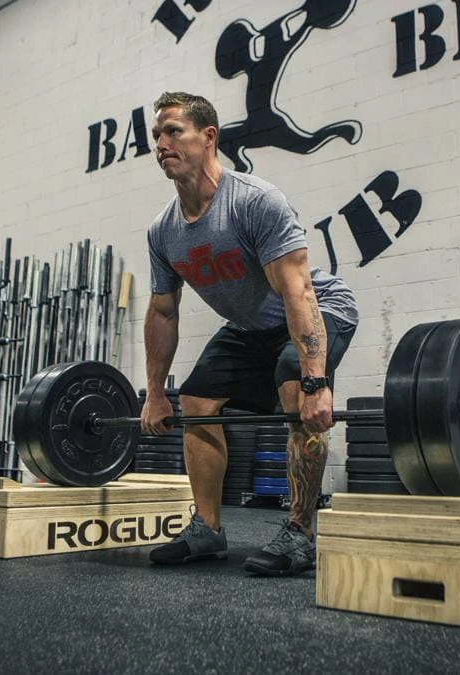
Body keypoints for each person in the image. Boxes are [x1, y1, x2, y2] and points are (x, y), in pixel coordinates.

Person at [140, 92, 358, 576]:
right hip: (249, 326)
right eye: (156, 134)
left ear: (209, 137)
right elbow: (163, 313)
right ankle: (208, 529)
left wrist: (316, 383)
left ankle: (300, 532)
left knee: (293, 383)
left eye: (173, 131)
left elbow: (299, 291)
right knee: (195, 400)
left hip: (319, 308)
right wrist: (155, 393)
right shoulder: (163, 231)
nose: (161, 143)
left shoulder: (254, 201)